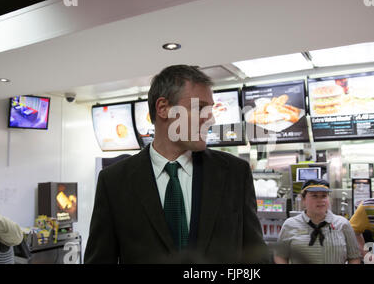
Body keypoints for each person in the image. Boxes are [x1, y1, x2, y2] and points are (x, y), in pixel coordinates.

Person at [84, 65, 269, 264]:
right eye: (200, 108)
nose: (211, 118)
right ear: (163, 108)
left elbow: (255, 257)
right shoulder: (114, 181)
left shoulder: (234, 174)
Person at [274, 179, 361, 264]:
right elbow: (280, 255)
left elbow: (354, 257)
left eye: (324, 196)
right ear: (303, 199)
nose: (320, 200)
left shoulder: (343, 224)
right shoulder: (290, 225)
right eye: (314, 196)